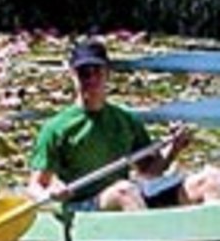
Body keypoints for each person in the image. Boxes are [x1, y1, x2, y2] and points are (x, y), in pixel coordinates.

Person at [28, 38, 220, 211]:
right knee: (124, 191)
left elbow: (149, 171)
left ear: (107, 73)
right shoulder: (56, 128)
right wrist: (50, 193)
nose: (92, 79)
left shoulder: (125, 119)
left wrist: (174, 149)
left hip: (130, 199)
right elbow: (35, 185)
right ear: (72, 75)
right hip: (85, 206)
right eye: (84, 73)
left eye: (97, 71)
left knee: (211, 179)